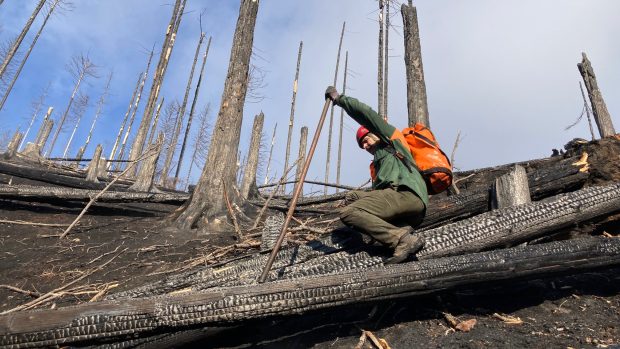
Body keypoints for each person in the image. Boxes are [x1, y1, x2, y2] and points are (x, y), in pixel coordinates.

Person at [325, 86, 428, 264]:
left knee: (349, 212)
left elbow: (365, 113)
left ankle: (402, 239)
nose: (365, 146)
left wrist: (339, 99)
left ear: (375, 132)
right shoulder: (379, 164)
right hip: (400, 204)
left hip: (405, 195)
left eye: (365, 140)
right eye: (361, 145)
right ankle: (400, 230)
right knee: (353, 197)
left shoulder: (391, 139)